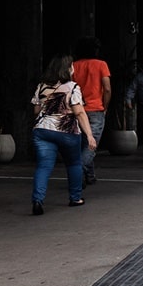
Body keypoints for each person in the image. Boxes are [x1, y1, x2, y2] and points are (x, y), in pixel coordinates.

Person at [29, 54, 96, 214]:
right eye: (71, 66)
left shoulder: (42, 86)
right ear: (67, 69)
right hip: (67, 132)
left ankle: (37, 200)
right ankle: (75, 197)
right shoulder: (72, 87)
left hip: (43, 131)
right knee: (73, 163)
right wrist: (89, 135)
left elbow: (36, 110)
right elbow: (79, 113)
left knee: (44, 166)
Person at [72, 36, 111, 186]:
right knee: (91, 145)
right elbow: (107, 88)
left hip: (78, 108)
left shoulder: (74, 66)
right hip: (96, 108)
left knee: (83, 143)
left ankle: (90, 175)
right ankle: (78, 171)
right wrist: (105, 106)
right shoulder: (101, 65)